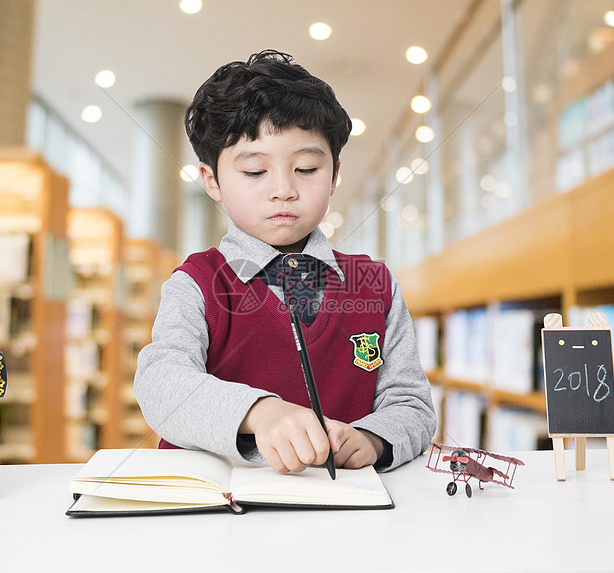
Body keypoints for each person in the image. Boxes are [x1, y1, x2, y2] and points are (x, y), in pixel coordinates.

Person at [134, 50, 435, 474]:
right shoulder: (196, 282)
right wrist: (259, 413)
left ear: (334, 176)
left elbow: (411, 404)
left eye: (307, 168)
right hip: (217, 519)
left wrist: (373, 437)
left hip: (344, 513)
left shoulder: (375, 284)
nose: (283, 190)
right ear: (212, 181)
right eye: (255, 172)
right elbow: (160, 384)